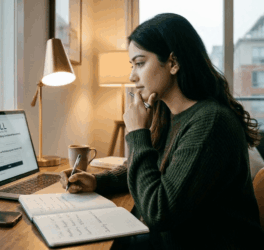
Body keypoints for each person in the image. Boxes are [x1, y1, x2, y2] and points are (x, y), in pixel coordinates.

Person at [60, 13, 264, 249]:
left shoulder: (210, 122)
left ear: (173, 63)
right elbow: (150, 167)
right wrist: (96, 181)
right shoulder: (167, 112)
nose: (131, 76)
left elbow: (159, 212)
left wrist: (137, 133)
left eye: (140, 63)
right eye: (132, 65)